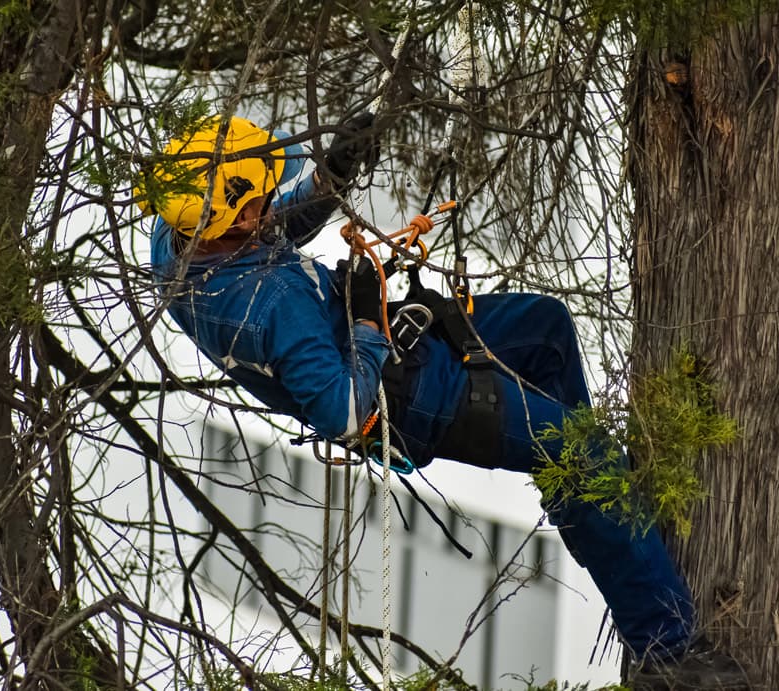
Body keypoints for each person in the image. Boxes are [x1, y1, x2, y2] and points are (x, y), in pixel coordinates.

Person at [138, 113, 750, 690]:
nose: (269, 207)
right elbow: (346, 412)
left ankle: (597, 516)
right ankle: (664, 655)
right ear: (228, 221)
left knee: (545, 330)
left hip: (397, 345)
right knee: (584, 451)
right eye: (256, 203)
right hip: (413, 400)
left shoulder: (177, 243)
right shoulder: (272, 310)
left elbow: (269, 226)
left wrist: (330, 180)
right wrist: (363, 323)